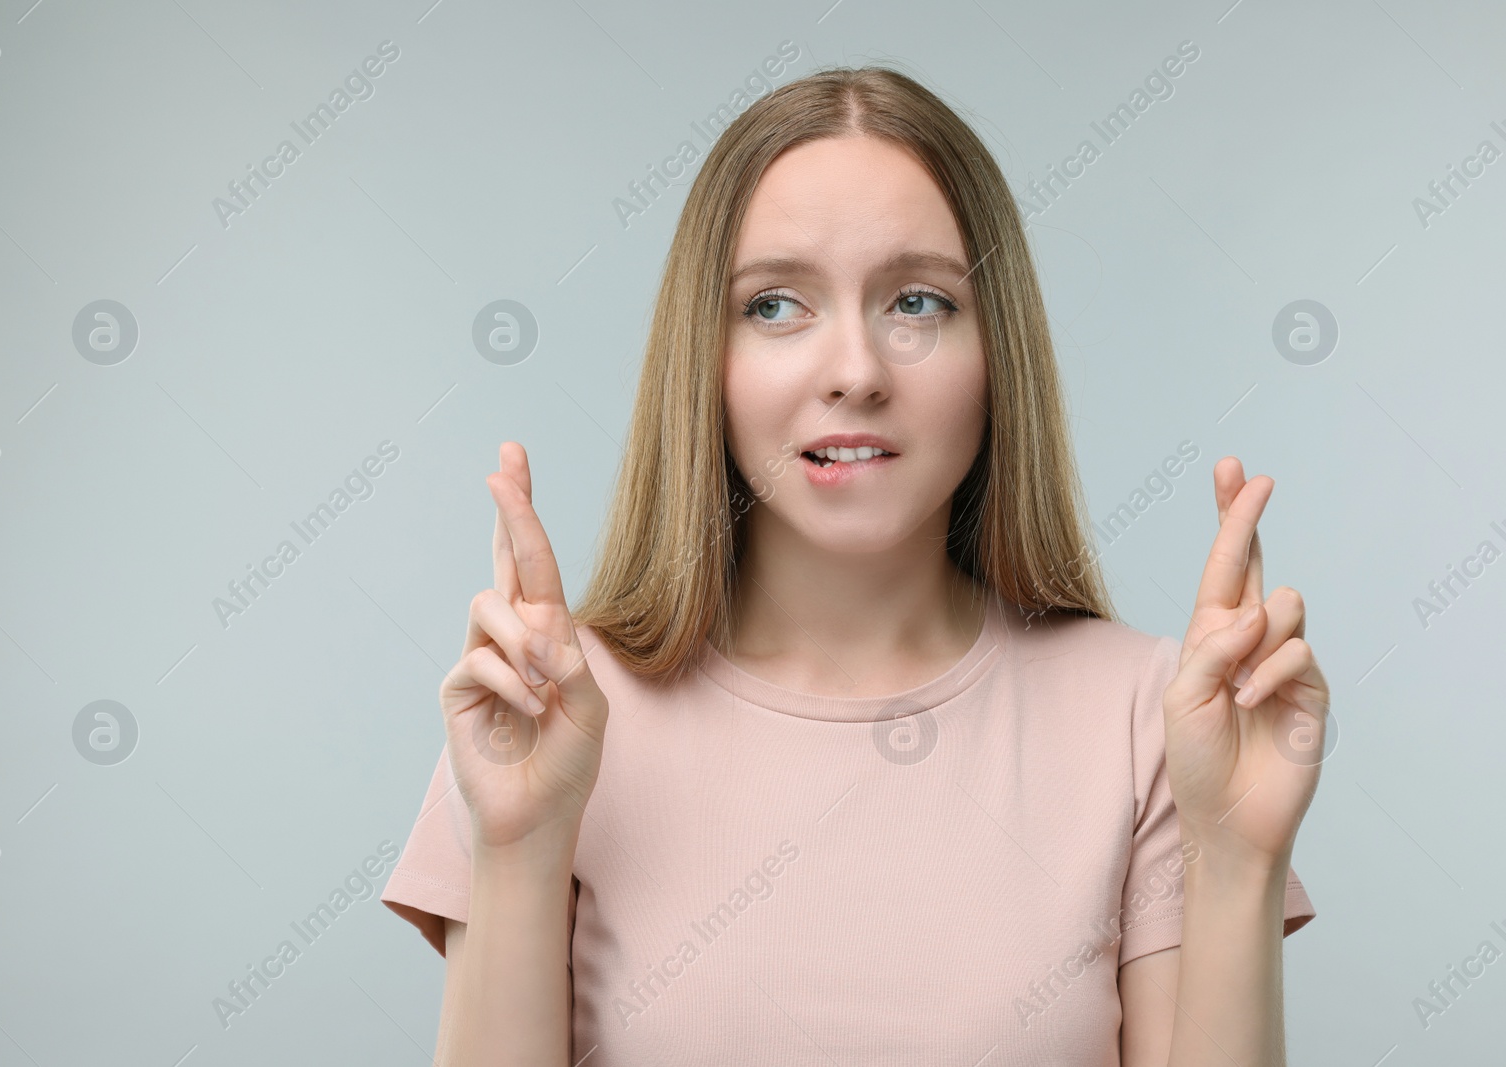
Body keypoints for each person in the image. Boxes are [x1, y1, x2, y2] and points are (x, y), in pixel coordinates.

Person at [380, 65, 1329, 1066]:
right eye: (776, 305)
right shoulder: (548, 715)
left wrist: (1235, 859)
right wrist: (523, 847)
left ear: (995, 352)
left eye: (916, 302)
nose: (856, 371)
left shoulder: (1147, 715)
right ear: (705, 359)